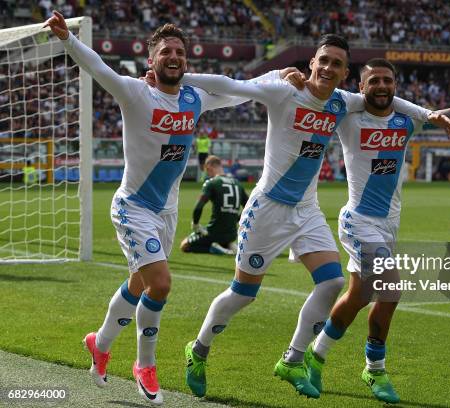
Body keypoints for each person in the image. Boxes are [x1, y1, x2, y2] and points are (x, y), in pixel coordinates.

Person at [175, 34, 450, 400]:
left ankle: (292, 359)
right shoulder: (284, 92)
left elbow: (384, 98)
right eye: (323, 60)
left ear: (343, 74)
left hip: (306, 209)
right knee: (244, 293)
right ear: (312, 63)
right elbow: (232, 85)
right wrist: (182, 76)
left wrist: (425, 114)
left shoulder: (342, 102)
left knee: (331, 282)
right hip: (267, 209)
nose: (328, 68)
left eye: (337, 64)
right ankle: (197, 351)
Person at [44, 11, 294, 405]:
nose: (174, 56)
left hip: (167, 212)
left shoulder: (195, 98)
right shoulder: (135, 92)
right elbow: (97, 67)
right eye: (165, 52)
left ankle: (100, 342)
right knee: (160, 283)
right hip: (133, 206)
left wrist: (279, 76)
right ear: (152, 61)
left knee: (140, 283)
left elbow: (241, 89)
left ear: (186, 61)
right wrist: (67, 40)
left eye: (179, 51)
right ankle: (145, 365)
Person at [299, 59, 450, 404]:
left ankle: (315, 357)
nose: (381, 86)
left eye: (387, 80)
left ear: (395, 85)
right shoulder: (348, 115)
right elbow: (315, 93)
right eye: (373, 80)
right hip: (359, 220)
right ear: (361, 88)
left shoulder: (406, 119)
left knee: (359, 297)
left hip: (388, 223)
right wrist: (295, 78)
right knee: (392, 288)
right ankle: (374, 369)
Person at [180, 155, 248, 255]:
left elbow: (199, 207)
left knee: (184, 245)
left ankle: (215, 249)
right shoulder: (237, 183)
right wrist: (236, 218)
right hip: (232, 234)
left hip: (214, 232)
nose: (208, 174)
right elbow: (249, 207)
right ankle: (228, 245)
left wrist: (195, 224)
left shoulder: (212, 183)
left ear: (209, 167)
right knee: (222, 236)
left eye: (207, 171)